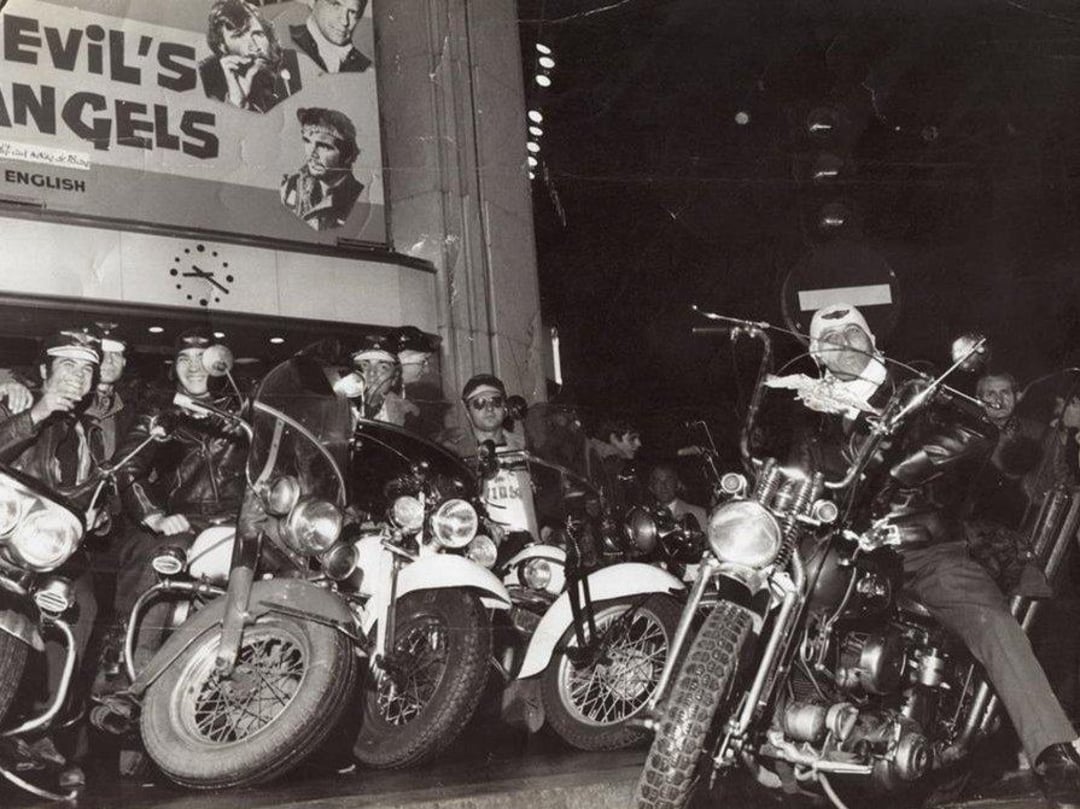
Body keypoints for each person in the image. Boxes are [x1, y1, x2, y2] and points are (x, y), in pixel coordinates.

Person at [794, 302, 1080, 809]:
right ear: (816, 352)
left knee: (991, 620)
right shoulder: (810, 413)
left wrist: (894, 470)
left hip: (920, 546)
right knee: (789, 595)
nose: (842, 340)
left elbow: (975, 430)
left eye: (852, 331)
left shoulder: (914, 385)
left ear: (871, 339)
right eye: (829, 335)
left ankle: (1055, 750)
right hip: (850, 556)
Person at [111, 330, 247, 671]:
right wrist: (153, 515)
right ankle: (129, 669)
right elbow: (127, 464)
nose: (193, 367)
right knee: (159, 561)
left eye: (202, 359)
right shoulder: (163, 411)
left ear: (219, 364)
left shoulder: (246, 407)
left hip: (247, 517)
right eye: (184, 359)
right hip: (189, 518)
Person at [0, 330, 103, 777]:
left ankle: (46, 731)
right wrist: (36, 412)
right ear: (43, 371)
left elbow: (89, 498)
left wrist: (100, 518)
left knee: (82, 612)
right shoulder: (12, 401)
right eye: (67, 366)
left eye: (86, 370)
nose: (77, 378)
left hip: (44, 552)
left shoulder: (84, 432)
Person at [199, 0, 301, 113]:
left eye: (258, 34)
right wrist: (238, 104)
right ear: (222, 47)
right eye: (239, 36)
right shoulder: (208, 89)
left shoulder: (297, 64)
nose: (254, 46)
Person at [280, 107, 366, 231]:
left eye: (324, 146)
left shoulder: (358, 199)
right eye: (307, 141)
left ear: (347, 155)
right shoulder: (292, 185)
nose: (312, 154)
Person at [290, 0, 372, 73]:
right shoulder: (285, 41)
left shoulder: (367, 69)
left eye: (352, 12)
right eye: (336, 5)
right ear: (312, 2)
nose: (344, 21)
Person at [586, 418, 643, 513]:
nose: (639, 443)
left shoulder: (609, 463)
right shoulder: (604, 465)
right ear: (614, 439)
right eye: (632, 438)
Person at [647, 462, 707, 530]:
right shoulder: (646, 519)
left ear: (678, 484)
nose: (663, 485)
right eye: (658, 481)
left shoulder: (698, 514)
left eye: (668, 480)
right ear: (651, 487)